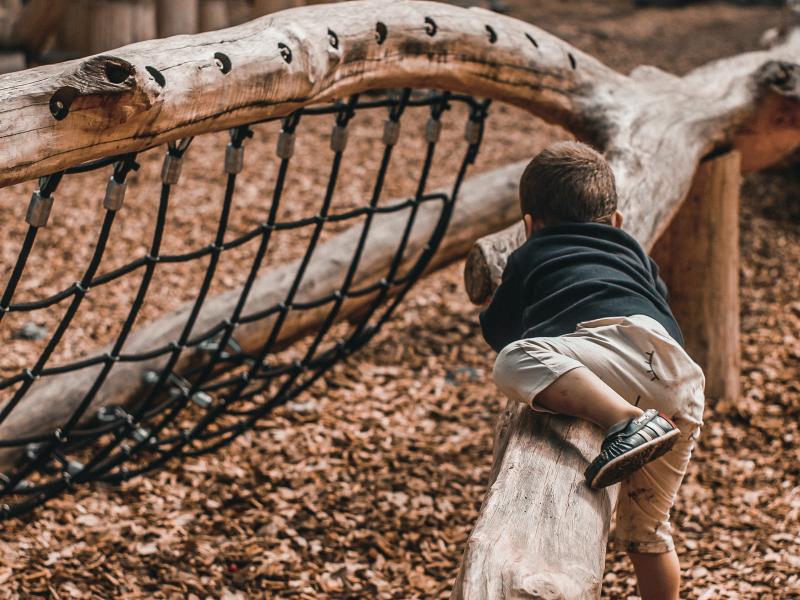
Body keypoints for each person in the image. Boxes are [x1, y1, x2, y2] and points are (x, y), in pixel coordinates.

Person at [480, 141, 705, 600]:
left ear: (529, 225)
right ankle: (642, 424)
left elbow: (500, 332)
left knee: (512, 361)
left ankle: (626, 421)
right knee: (647, 533)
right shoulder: (634, 254)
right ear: (617, 221)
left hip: (614, 354)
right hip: (678, 376)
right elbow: (655, 302)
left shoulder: (530, 253)